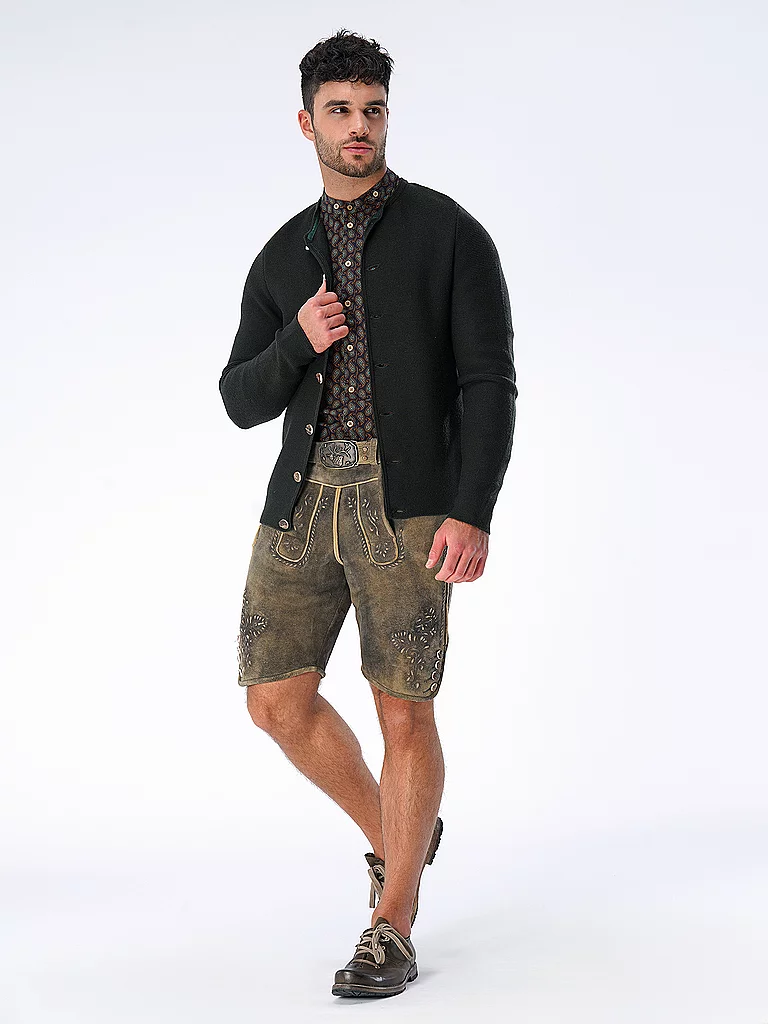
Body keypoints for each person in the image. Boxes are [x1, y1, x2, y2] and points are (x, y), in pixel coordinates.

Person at [218, 28, 518, 999]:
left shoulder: (449, 233)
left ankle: (393, 922)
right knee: (274, 700)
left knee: (404, 706)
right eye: (340, 110)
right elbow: (239, 398)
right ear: (306, 122)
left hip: (408, 504)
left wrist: (471, 508)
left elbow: (488, 382)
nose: (359, 126)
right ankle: (401, 840)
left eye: (373, 109)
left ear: (388, 116)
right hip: (301, 504)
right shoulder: (281, 254)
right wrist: (296, 342)